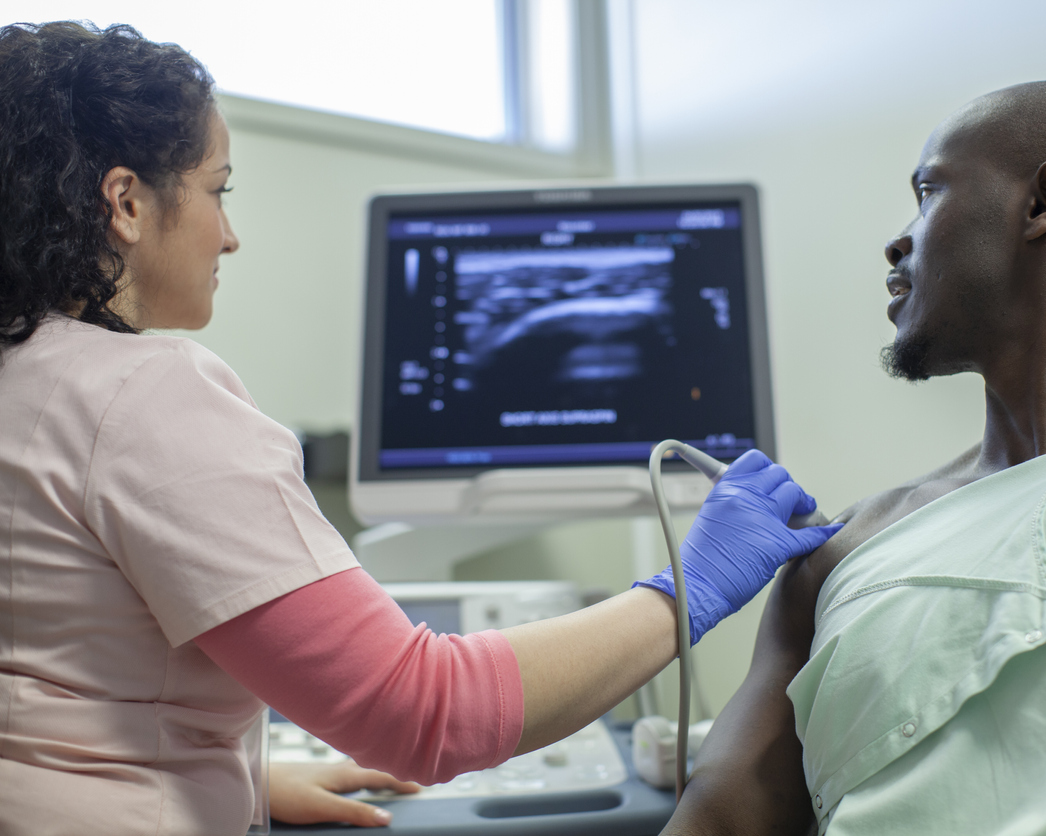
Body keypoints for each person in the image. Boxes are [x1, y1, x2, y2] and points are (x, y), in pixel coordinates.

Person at [0, 21, 842, 836]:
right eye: (218, 190)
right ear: (125, 202)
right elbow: (425, 714)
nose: (231, 235)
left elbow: (46, 677)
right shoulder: (143, 394)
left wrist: (239, 773)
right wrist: (687, 588)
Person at [662, 80, 1046, 835]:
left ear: (1043, 201)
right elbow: (723, 817)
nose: (898, 242)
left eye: (928, 193)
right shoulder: (839, 555)